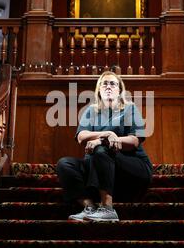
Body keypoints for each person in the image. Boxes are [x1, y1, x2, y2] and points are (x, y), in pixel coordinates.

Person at [56, 71, 153, 222]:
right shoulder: (92, 110)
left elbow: (134, 141)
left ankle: (108, 208)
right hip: (99, 172)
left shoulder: (130, 108)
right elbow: (81, 136)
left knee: (101, 150)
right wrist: (107, 134)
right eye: (104, 84)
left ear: (119, 90)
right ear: (99, 90)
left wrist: (102, 141)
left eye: (113, 84)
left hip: (131, 169)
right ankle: (89, 208)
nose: (108, 87)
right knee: (64, 164)